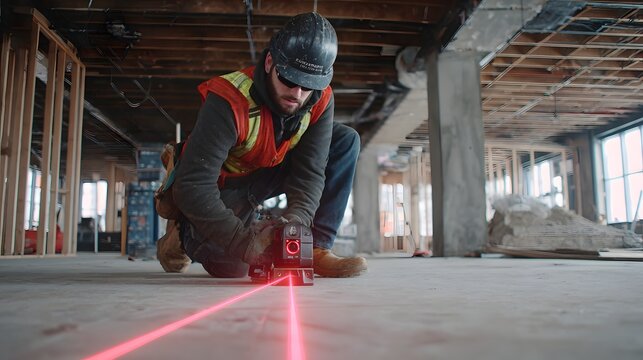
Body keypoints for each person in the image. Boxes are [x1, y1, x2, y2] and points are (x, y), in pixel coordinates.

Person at [156, 12, 367, 278]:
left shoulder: (320, 99)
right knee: (233, 267)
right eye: (289, 80)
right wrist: (244, 244)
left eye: (309, 86)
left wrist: (297, 228)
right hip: (222, 185)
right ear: (270, 63)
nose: (298, 94)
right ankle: (180, 233)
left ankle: (315, 249)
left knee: (345, 141)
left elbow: (310, 172)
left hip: (268, 169)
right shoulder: (229, 100)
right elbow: (194, 186)